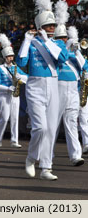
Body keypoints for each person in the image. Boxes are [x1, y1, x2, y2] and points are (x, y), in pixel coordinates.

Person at [16, 0, 68, 180]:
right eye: (49, 26)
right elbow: (21, 63)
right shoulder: (32, 43)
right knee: (41, 127)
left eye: (54, 26)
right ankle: (31, 158)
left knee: (51, 128)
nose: (52, 28)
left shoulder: (58, 43)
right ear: (40, 27)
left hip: (53, 85)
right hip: (35, 86)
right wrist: (26, 41)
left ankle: (46, 167)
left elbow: (62, 58)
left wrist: (47, 41)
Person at [54, 22, 86, 166]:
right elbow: (58, 59)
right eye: (60, 38)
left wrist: (77, 51)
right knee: (53, 125)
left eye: (65, 38)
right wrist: (65, 49)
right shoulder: (54, 50)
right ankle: (46, 154)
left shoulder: (74, 55)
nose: (64, 40)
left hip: (73, 90)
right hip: (58, 89)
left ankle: (75, 156)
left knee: (72, 123)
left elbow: (84, 66)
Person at [0, 33, 28, 148]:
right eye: (9, 57)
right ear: (4, 57)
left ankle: (14, 140)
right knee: (4, 118)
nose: (11, 58)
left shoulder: (16, 67)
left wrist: (20, 77)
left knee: (15, 117)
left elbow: (27, 78)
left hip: (15, 95)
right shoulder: (0, 68)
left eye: (12, 56)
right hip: (4, 95)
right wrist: (7, 88)